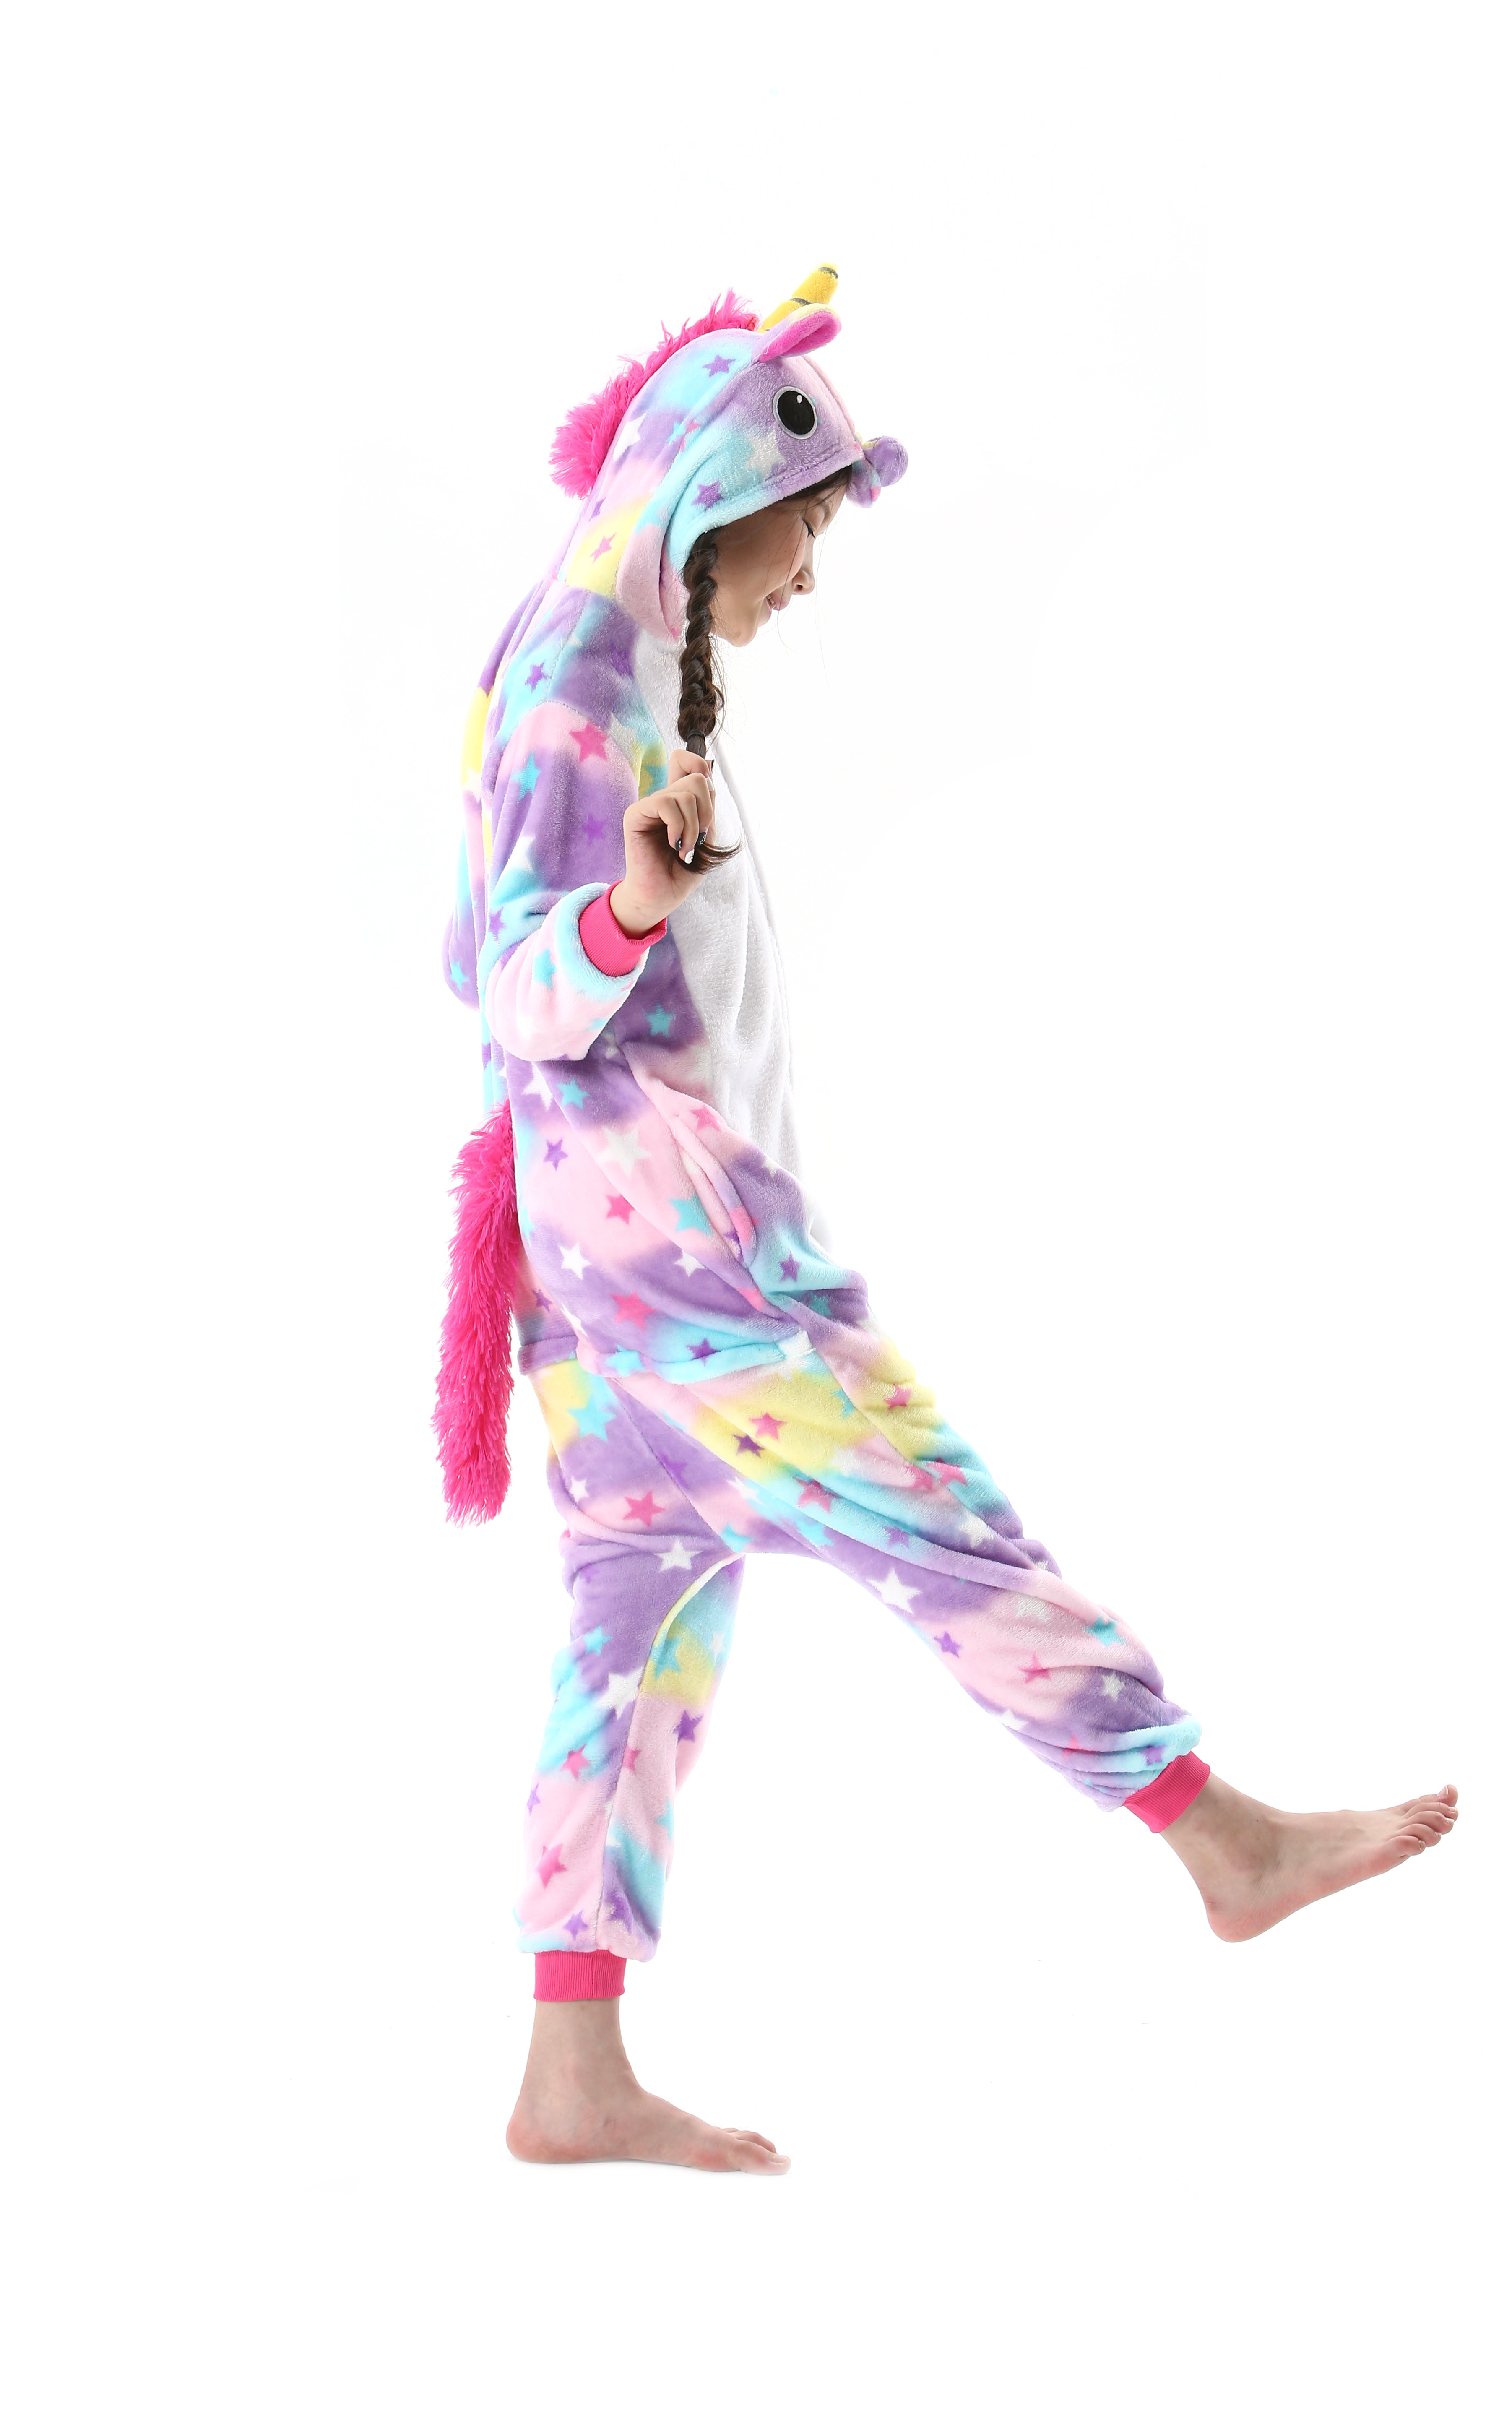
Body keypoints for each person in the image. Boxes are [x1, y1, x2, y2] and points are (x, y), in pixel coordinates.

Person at [435, 265, 1459, 2176]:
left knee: (629, 1647)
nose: (811, 574)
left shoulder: (600, 654)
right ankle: (1219, 1839)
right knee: (948, 1527)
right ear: (715, 500)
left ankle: (571, 2071)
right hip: (682, 1274)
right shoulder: (581, 687)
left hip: (607, 1272)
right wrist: (632, 904)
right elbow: (522, 990)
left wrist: (642, 914)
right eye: (803, 529)